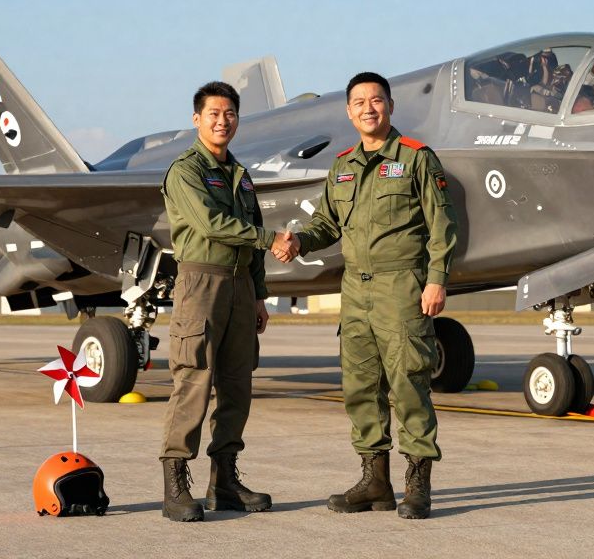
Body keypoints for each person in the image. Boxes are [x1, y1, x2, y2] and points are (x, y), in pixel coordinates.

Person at [273, 72, 457, 519]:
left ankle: (418, 485)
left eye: (376, 100)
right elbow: (326, 225)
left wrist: (436, 279)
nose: (368, 108)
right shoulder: (342, 167)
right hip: (355, 289)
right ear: (349, 111)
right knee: (360, 387)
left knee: (409, 383)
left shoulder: (416, 158)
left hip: (402, 286)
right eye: (359, 102)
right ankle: (375, 483)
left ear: (390, 106)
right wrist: (299, 241)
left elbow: (442, 225)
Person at [159, 80, 292, 522]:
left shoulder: (240, 175)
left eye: (230, 114)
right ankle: (175, 484)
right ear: (197, 119)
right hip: (201, 284)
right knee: (194, 380)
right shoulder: (186, 171)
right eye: (214, 114)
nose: (223, 121)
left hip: (240, 288)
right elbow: (211, 224)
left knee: (237, 385)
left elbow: (250, 246)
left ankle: (224, 483)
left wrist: (259, 295)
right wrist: (270, 238)